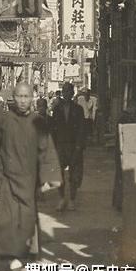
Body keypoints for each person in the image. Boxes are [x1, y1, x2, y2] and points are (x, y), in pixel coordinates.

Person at [0, 82, 61, 271]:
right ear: (13, 98)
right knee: (7, 219)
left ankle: (26, 254)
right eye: (19, 96)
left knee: (26, 219)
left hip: (30, 180)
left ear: (32, 98)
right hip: (7, 177)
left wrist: (51, 176)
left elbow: (46, 149)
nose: (23, 101)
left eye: (26, 97)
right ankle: (12, 260)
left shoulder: (39, 121)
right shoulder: (3, 119)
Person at [50, 82, 85, 212]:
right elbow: (53, 129)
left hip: (73, 145)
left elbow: (82, 129)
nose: (66, 94)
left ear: (72, 93)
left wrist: (79, 146)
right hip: (60, 145)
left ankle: (72, 200)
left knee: (74, 174)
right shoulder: (57, 109)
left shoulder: (78, 109)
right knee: (59, 173)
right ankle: (61, 198)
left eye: (68, 91)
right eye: (64, 91)